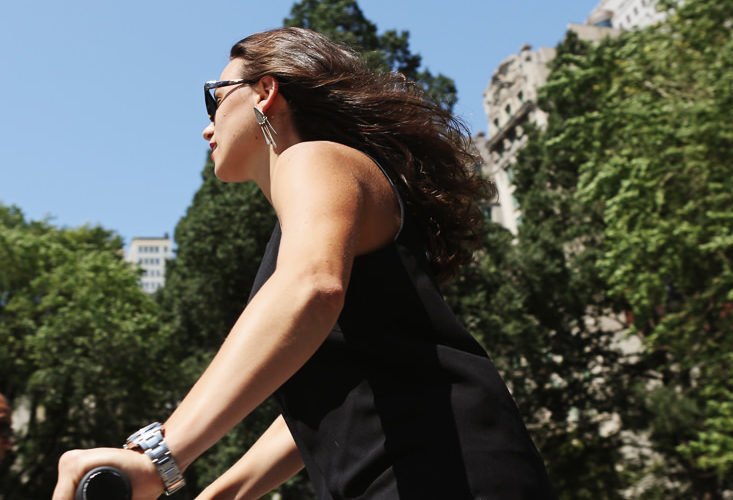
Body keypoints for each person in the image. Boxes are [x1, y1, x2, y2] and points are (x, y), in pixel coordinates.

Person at [52, 27, 554, 499]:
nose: (206, 127)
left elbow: (312, 288)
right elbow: (329, 402)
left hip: (448, 472)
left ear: (265, 91)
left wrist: (159, 455)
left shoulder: (315, 157)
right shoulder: (312, 213)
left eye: (214, 99)